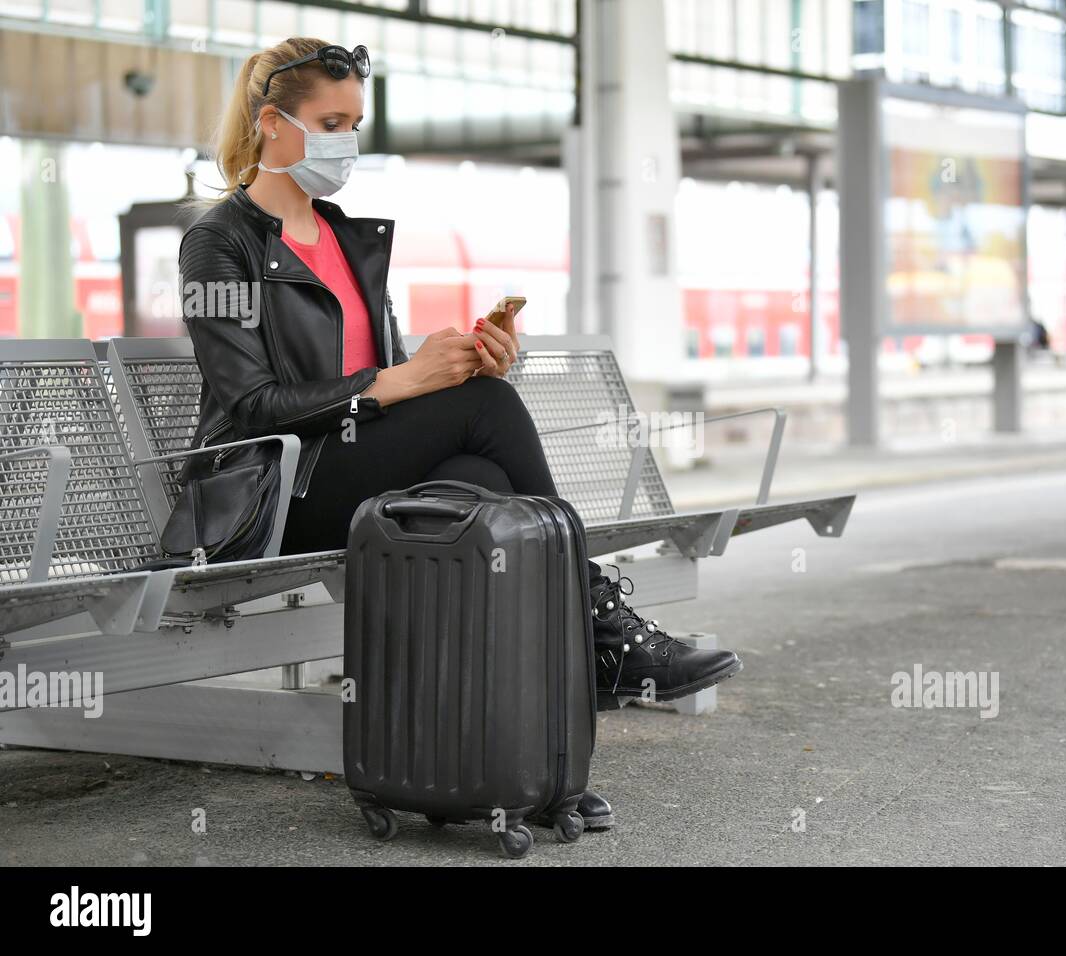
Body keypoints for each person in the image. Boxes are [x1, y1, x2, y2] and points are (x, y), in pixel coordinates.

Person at [178, 37, 743, 831]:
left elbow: (382, 380)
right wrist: (403, 383)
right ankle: (598, 630)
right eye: (331, 124)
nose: (348, 142)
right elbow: (250, 406)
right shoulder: (220, 242)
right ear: (272, 123)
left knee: (484, 481)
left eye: (355, 124)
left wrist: (459, 363)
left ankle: (526, 769)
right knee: (487, 414)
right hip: (275, 493)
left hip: (350, 468)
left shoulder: (344, 237)